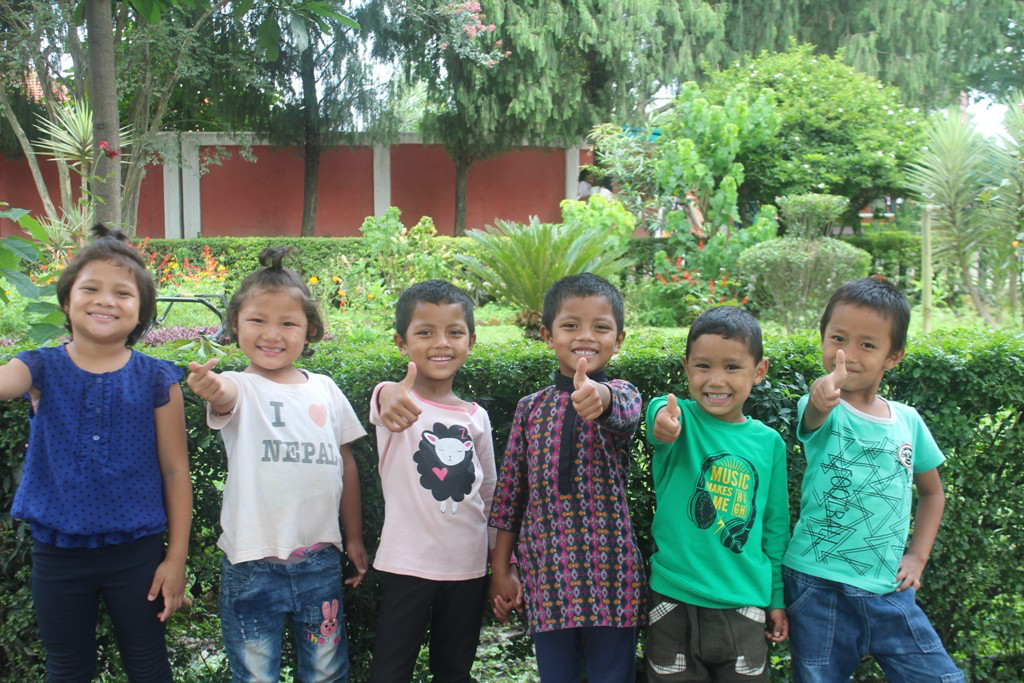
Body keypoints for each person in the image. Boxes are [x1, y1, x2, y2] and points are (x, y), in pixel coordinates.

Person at [0, 225, 192, 681]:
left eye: (122, 293)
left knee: (148, 665)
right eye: (90, 289)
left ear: (141, 311)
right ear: (67, 301)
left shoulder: (158, 379)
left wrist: (176, 559)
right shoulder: (37, 366)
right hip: (57, 552)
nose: (105, 300)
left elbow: (175, 470)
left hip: (138, 552)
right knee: (67, 668)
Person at [187, 247, 368, 683]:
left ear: (310, 330)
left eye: (288, 323)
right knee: (255, 676)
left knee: (326, 673)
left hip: (319, 562)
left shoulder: (326, 389)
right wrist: (211, 387)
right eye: (258, 320)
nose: (273, 334)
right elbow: (224, 395)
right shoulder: (240, 386)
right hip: (252, 567)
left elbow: (346, 466)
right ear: (236, 324)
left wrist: (354, 538)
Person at [784, 277, 964, 682]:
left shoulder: (908, 421)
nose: (848, 354)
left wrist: (918, 557)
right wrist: (820, 396)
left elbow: (933, 493)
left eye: (867, 344)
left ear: (893, 356)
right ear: (823, 338)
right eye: (838, 338)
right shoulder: (822, 406)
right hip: (817, 587)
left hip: (888, 590)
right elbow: (814, 412)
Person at [489, 273, 646, 683]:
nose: (586, 336)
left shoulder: (623, 393)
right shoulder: (531, 408)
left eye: (600, 327)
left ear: (619, 339)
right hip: (547, 575)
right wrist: (502, 569)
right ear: (548, 335)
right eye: (571, 325)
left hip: (612, 573)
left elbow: (624, 413)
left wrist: (600, 397)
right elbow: (510, 496)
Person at [645, 306, 790, 682]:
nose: (716, 380)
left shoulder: (769, 443)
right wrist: (661, 421)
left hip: (744, 605)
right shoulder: (680, 421)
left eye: (732, 367)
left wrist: (776, 598)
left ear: (759, 371)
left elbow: (774, 527)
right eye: (703, 366)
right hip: (673, 601)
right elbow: (658, 413)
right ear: (686, 367)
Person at [366, 280, 498, 683]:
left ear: (470, 341)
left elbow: (489, 490)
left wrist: (499, 558)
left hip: (467, 566)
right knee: (390, 671)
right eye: (425, 332)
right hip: (407, 564)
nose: (441, 343)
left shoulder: (476, 416)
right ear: (401, 343)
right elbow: (383, 398)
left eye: (454, 332)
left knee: (454, 670)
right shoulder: (397, 403)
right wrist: (387, 391)